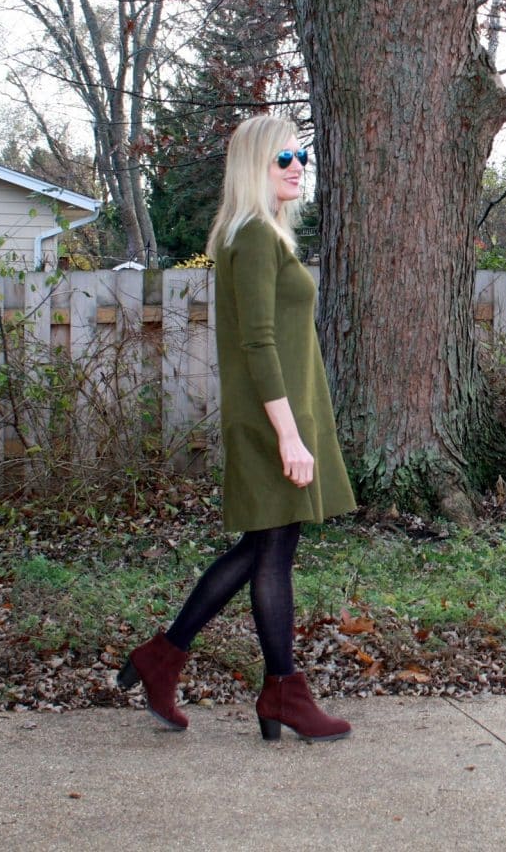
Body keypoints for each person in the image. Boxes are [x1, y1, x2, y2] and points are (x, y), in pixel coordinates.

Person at [118, 115, 356, 742]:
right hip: (271, 417)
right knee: (270, 552)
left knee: (266, 549)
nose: (297, 165)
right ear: (256, 165)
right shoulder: (252, 236)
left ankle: (169, 660)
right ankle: (279, 691)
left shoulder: (266, 236)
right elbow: (256, 344)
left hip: (281, 413)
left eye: (302, 153)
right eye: (284, 157)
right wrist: (287, 433)